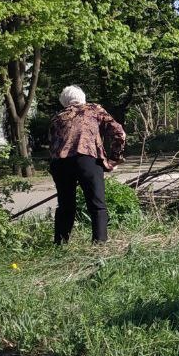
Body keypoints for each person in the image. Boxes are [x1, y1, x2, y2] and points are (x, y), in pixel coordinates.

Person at [47, 85, 126, 245]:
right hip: (87, 159)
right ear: (83, 99)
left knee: (65, 206)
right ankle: (99, 245)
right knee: (97, 204)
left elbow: (52, 145)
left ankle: (60, 245)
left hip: (60, 164)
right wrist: (113, 159)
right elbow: (119, 133)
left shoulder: (56, 118)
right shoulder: (94, 109)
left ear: (64, 103)